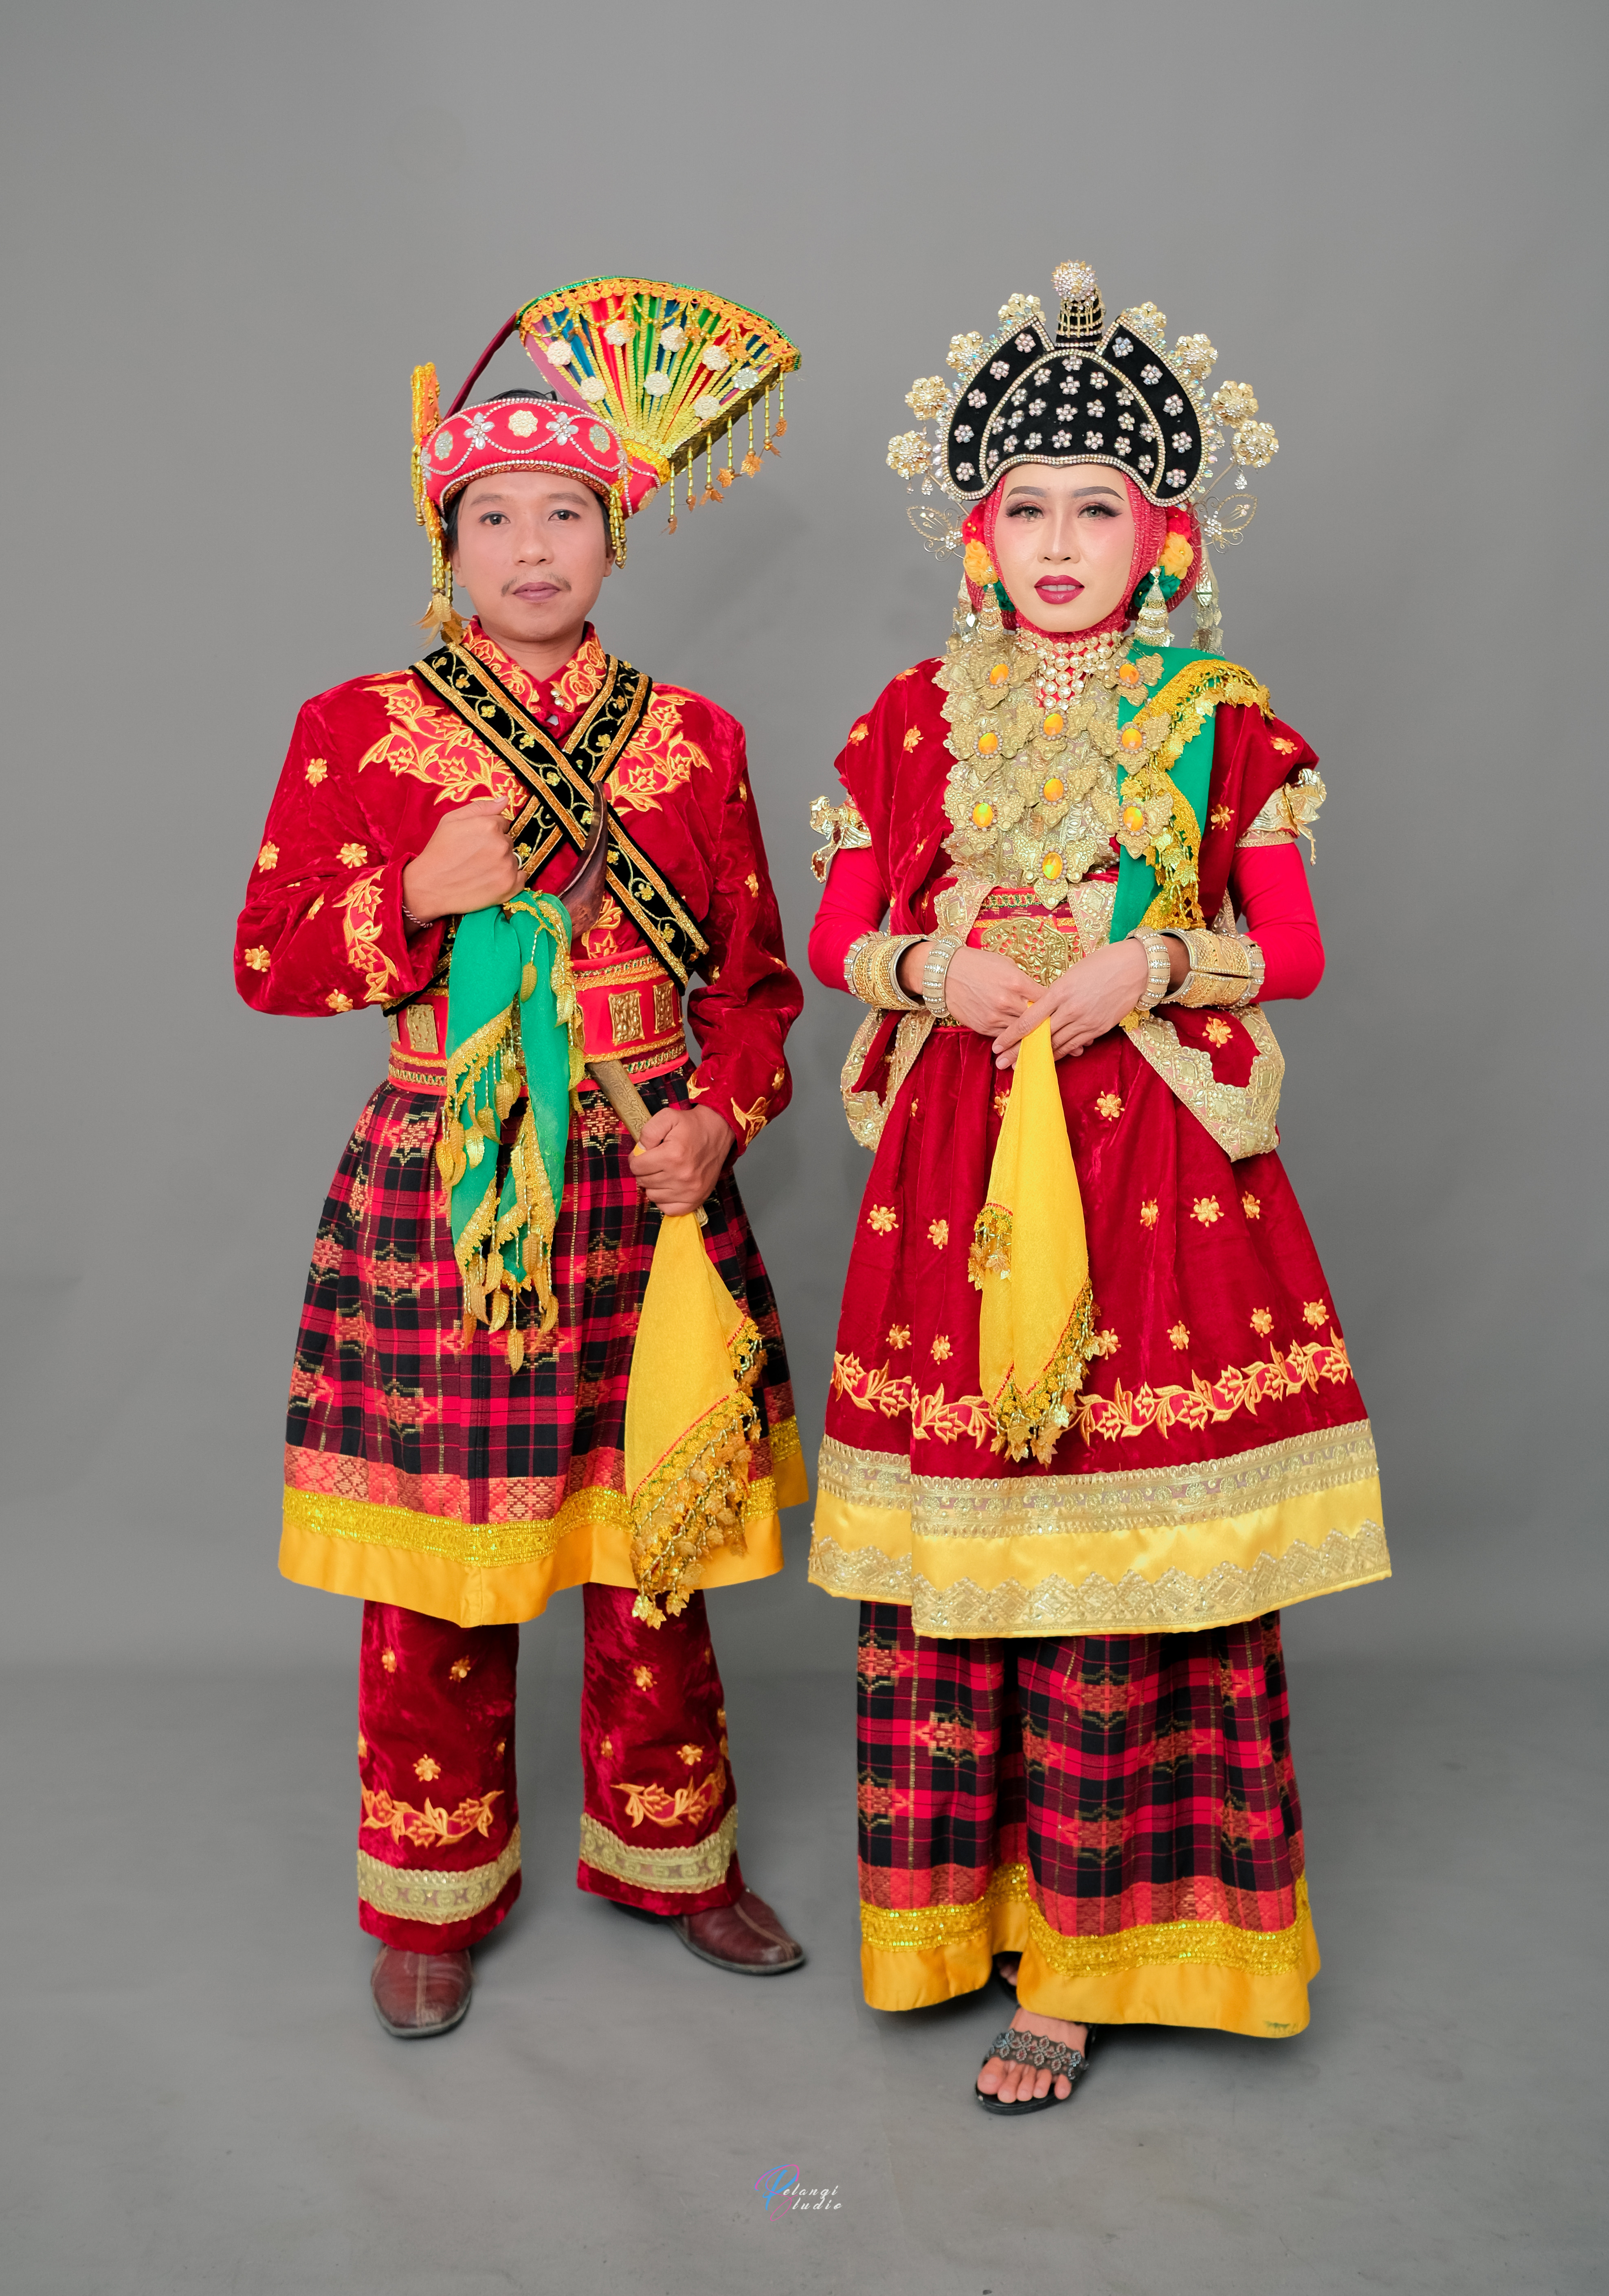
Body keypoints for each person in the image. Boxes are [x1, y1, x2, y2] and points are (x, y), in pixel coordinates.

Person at [806, 260, 1388, 2113]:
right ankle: (958, 1923)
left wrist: (1155, 962)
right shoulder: (911, 714)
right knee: (979, 1532)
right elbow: (838, 933)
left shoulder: (1225, 717)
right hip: (964, 1159)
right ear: (977, 536)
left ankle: (1092, 1962)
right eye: (1027, 510)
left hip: (1154, 1169)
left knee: (1129, 1547)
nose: (1060, 545)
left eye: (1099, 510)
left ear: (1166, 538)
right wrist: (931, 965)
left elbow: (1295, 949)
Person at [236, 277, 809, 2036]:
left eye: (566, 513)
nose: (534, 547)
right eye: (495, 517)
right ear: (448, 544)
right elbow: (268, 960)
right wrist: (413, 892)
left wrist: (720, 1118)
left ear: (615, 537)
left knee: (659, 1537)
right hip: (451, 1170)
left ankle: (676, 1855)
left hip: (644, 1165)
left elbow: (757, 984)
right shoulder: (355, 728)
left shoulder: (697, 737)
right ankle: (433, 1890)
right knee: (442, 1559)